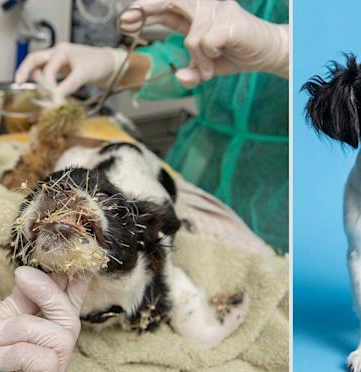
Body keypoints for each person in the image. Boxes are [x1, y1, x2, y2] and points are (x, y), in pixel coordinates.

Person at [0, 1, 288, 372]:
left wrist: (283, 46)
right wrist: (111, 63)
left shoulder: (153, 262)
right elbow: (181, 60)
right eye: (48, 193)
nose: (59, 198)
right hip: (197, 151)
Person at [16, 0, 290, 252]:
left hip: (286, 200)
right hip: (203, 164)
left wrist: (284, 49)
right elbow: (191, 58)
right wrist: (114, 64)